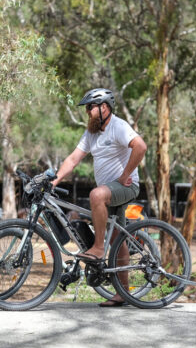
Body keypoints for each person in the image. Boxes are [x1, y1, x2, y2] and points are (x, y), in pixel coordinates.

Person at [51, 88, 147, 307]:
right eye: (86, 108)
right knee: (118, 240)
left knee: (96, 194)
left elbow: (140, 146)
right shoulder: (92, 133)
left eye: (90, 107)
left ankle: (98, 248)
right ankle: (122, 292)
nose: (87, 111)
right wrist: (53, 181)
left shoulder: (118, 126)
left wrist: (125, 175)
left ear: (104, 107)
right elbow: (73, 159)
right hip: (109, 192)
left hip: (125, 187)